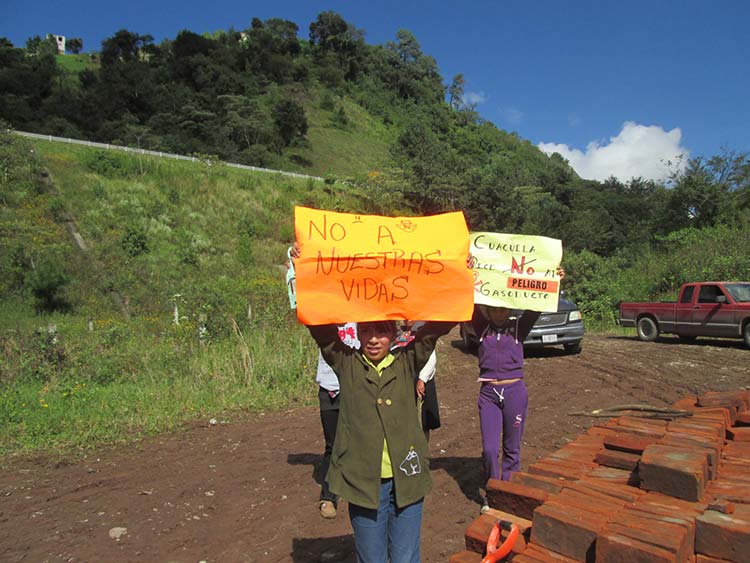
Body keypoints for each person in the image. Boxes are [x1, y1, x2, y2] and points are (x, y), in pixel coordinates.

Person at [307, 319, 454, 563]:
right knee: (371, 558)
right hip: (364, 483)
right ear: (355, 333)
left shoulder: (406, 361)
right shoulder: (346, 362)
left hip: (407, 479)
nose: (373, 339)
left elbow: (435, 329)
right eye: (366, 331)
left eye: (382, 331)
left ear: (394, 333)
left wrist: (459, 291)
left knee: (405, 558)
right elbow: (322, 332)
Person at [473, 269, 564, 513]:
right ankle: (493, 492)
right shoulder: (481, 328)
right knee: (491, 449)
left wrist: (552, 278)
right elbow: (468, 300)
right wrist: (467, 271)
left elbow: (538, 303)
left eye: (504, 309)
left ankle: (508, 493)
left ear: (510, 310)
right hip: (489, 394)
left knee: (512, 448)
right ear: (489, 310)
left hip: (515, 391)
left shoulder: (518, 329)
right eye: (495, 309)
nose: (499, 313)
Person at [316, 323, 359, 519]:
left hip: (356, 388)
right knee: (332, 445)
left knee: (360, 441)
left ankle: (359, 491)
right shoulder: (325, 319)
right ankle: (328, 496)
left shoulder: (362, 316)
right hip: (329, 388)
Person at [392, 321, 440, 442]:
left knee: (423, 420)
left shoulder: (422, 331)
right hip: (402, 379)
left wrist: (422, 379)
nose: (408, 320)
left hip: (421, 380)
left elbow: (431, 357)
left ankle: (423, 448)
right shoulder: (396, 333)